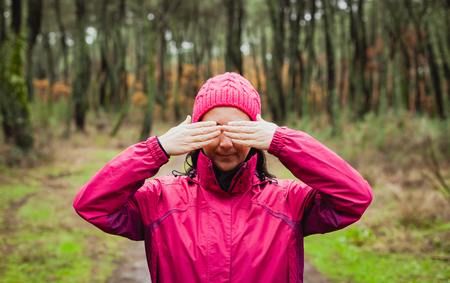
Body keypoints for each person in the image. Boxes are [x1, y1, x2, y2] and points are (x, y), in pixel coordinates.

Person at [73, 72, 372, 283]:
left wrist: (283, 141)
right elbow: (92, 205)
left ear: (257, 134)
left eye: (238, 131)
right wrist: (157, 149)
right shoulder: (160, 200)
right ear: (195, 132)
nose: (225, 143)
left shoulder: (289, 201)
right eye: (213, 129)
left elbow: (354, 197)